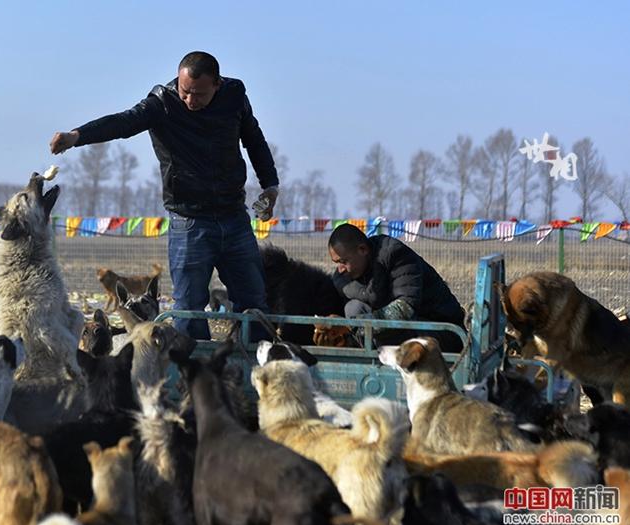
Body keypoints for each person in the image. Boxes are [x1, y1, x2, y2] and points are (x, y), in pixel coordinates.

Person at [49, 51, 279, 340]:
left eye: (199, 94)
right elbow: (122, 123)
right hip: (190, 222)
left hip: (234, 216)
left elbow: (255, 141)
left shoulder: (234, 96)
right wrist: (77, 136)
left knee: (253, 302)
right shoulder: (162, 104)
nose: (190, 100)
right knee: (189, 308)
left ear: (217, 84)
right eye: (185, 92)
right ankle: (192, 377)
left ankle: (255, 370)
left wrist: (270, 185)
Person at [328, 223, 466, 351]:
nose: (340, 269)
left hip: (441, 329)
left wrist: (351, 326)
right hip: (402, 329)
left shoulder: (396, 255)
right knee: (354, 308)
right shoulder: (343, 276)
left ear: (362, 250)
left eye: (343, 261)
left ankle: (382, 367)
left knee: (389, 332)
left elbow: (405, 309)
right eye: (336, 263)